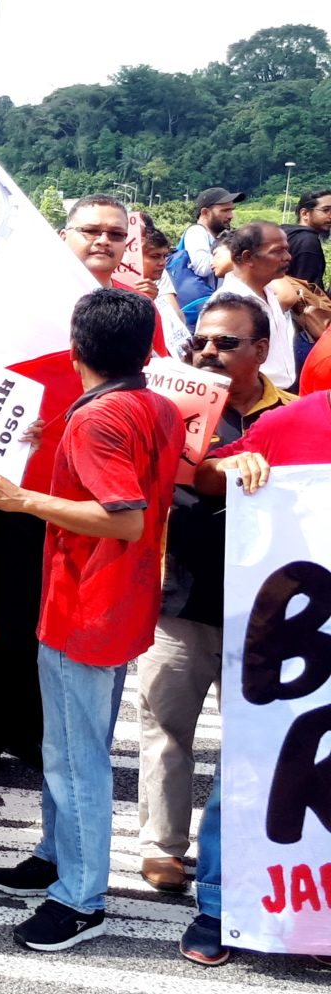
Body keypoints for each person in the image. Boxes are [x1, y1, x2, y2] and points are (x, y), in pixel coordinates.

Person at [0, 289, 183, 953]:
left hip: (86, 606)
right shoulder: (155, 405)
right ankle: (57, 859)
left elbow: (125, 515)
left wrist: (19, 496)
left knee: (74, 758)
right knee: (71, 748)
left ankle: (79, 898)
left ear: (76, 344)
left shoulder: (99, 419)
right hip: (122, 602)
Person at [135, 294, 291, 894]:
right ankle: (160, 847)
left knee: (251, 739)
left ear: (261, 350)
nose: (210, 352)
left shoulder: (295, 413)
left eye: (227, 343)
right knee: (165, 728)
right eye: (203, 341)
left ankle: (235, 854)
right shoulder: (170, 406)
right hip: (179, 597)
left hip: (265, 608)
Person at [180, 379, 331, 965]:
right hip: (292, 645)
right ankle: (219, 907)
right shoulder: (296, 419)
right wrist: (234, 462)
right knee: (254, 766)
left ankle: (317, 915)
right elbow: (206, 475)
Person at [215, 221, 306, 390]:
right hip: (256, 402)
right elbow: (222, 368)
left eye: (286, 249)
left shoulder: (268, 293)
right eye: (278, 251)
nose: (287, 257)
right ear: (248, 257)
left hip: (279, 394)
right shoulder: (228, 306)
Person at [176, 187, 242, 303]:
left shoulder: (215, 238)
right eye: (225, 210)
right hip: (196, 308)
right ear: (205, 212)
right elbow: (202, 267)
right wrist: (235, 257)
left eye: (231, 210)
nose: (231, 215)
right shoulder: (196, 232)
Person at [282, 189, 331, 289]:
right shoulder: (308, 241)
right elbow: (309, 290)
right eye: (326, 210)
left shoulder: (284, 232)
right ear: (305, 214)